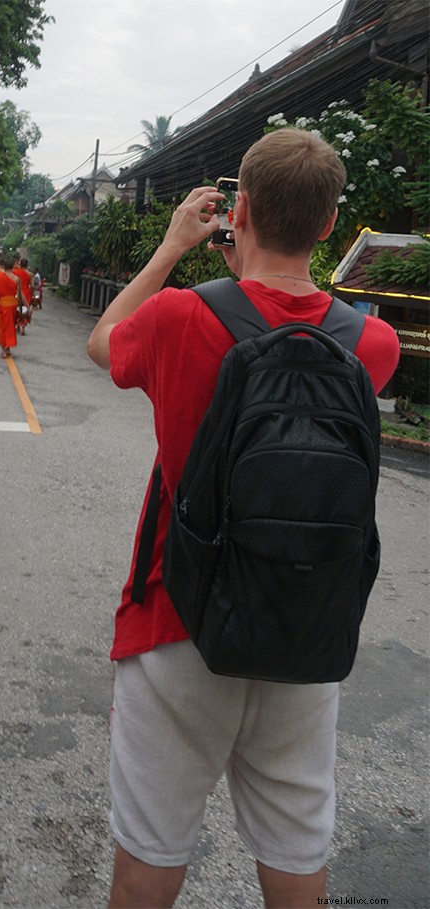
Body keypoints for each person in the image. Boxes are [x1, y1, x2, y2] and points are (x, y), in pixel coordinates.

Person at [86, 128, 400, 909]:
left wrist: (170, 248)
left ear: (242, 211)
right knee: (296, 869)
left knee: (148, 867)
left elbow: (103, 341)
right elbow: (291, 314)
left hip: (178, 622)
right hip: (304, 633)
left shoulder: (178, 318)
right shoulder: (375, 343)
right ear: (329, 226)